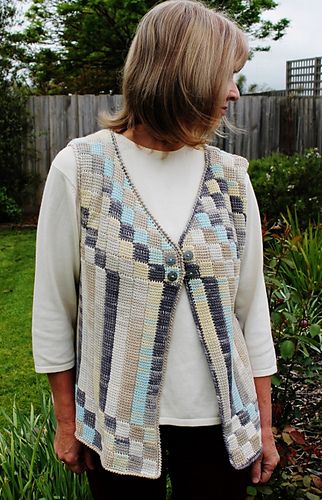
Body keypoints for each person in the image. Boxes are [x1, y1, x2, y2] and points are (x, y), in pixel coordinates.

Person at [32, 1, 280, 499]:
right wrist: (67, 420)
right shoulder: (82, 169)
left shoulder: (231, 179)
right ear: (183, 74)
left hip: (220, 428)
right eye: (226, 75)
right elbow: (55, 308)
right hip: (116, 423)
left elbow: (252, 311)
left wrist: (264, 426)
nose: (235, 91)